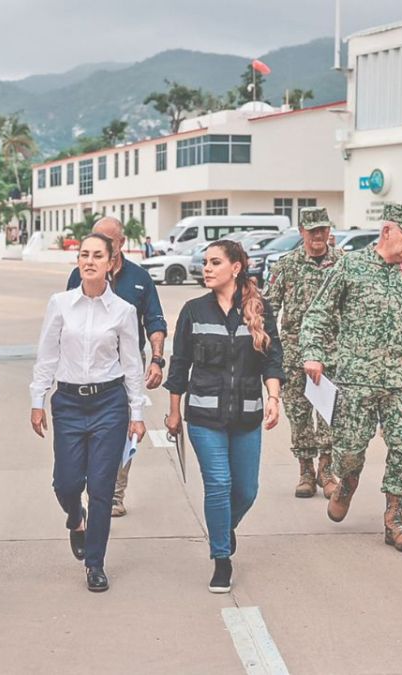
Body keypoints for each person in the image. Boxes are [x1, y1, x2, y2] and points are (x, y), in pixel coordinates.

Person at [299, 202, 402, 554]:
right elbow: (318, 313)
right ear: (387, 232)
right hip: (356, 378)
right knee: (349, 451)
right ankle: (347, 482)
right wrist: (313, 353)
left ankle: (394, 521)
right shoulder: (350, 266)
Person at [165, 239, 282, 593]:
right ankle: (221, 559)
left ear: (236, 267)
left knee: (246, 491)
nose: (207, 268)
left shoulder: (260, 309)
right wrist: (174, 412)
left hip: (247, 416)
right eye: (205, 263)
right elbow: (180, 364)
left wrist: (274, 397)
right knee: (218, 484)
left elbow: (273, 359)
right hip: (203, 416)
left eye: (215, 262)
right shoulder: (193, 310)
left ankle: (222, 527)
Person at [32, 233, 146, 593]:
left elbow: (132, 364)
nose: (89, 261)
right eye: (84, 255)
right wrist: (38, 399)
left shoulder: (124, 312)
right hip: (67, 402)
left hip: (109, 404)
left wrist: (137, 411)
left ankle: (95, 563)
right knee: (66, 483)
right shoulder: (60, 304)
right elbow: (47, 354)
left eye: (98, 255)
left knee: (101, 487)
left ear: (112, 262)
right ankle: (74, 517)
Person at [66, 217, 167, 517]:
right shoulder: (77, 275)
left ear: (120, 244)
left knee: (125, 430)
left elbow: (155, 320)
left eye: (107, 242)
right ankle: (93, 487)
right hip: (86, 371)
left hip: (126, 369)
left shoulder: (139, 278)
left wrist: (157, 360)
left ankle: (114, 492)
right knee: (89, 432)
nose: (98, 247)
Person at [264, 206, 339, 499]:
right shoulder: (286, 266)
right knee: (299, 414)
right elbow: (270, 307)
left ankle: (326, 469)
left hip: (332, 352)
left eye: (323, 229)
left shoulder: (344, 264)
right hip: (294, 355)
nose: (319, 235)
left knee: (331, 413)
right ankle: (305, 470)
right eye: (313, 230)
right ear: (302, 232)